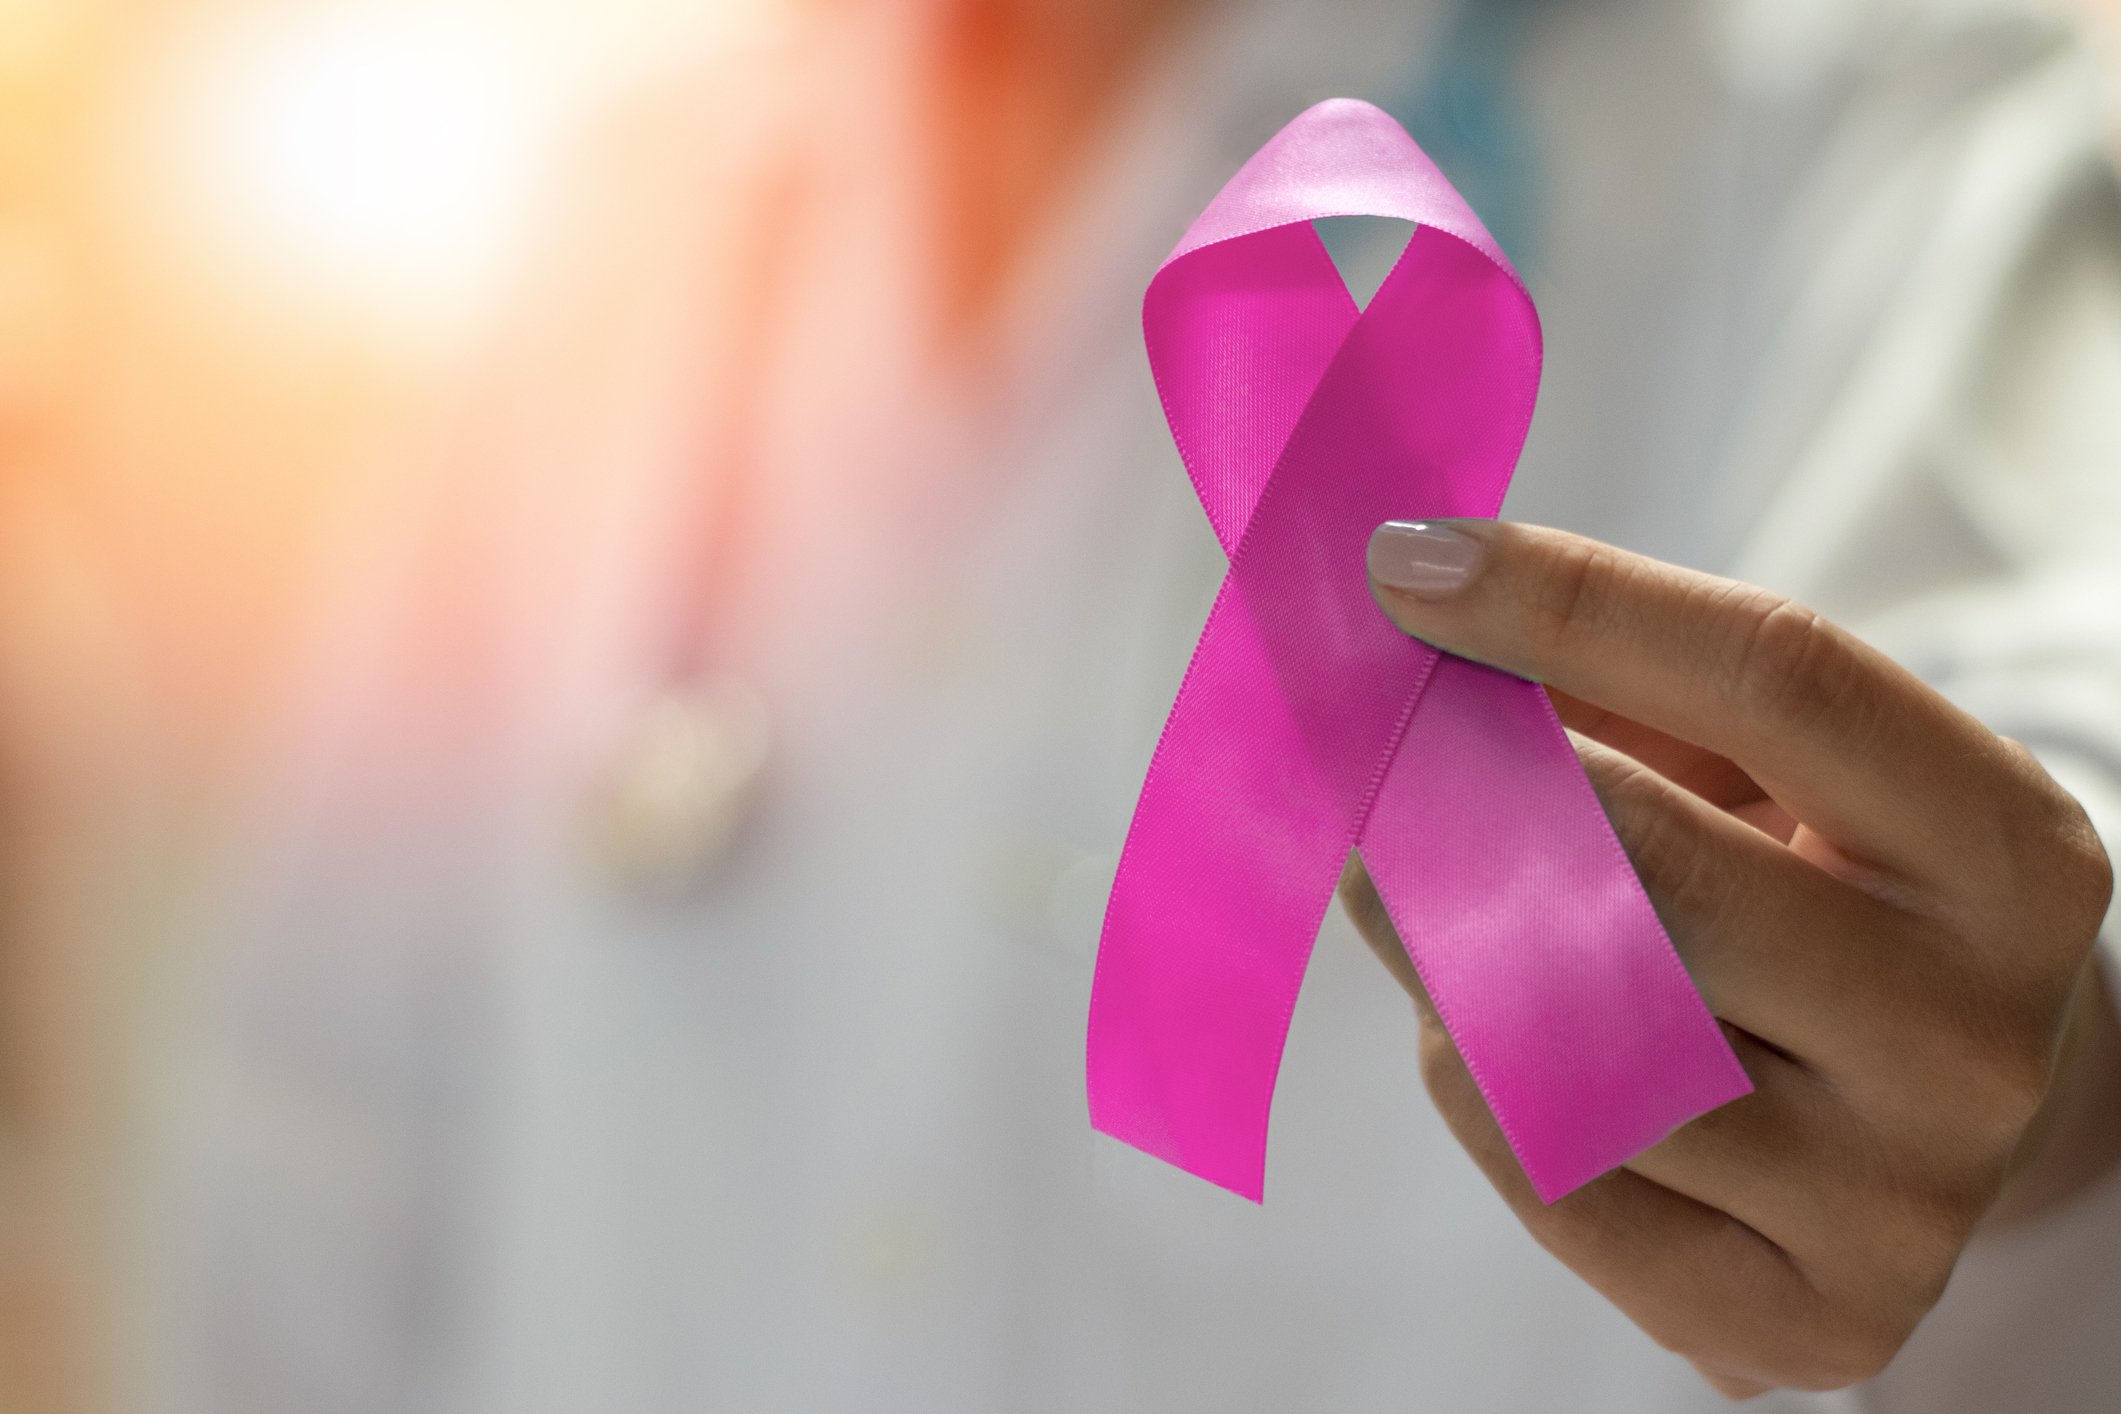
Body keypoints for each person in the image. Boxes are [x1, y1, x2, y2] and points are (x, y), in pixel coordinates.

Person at [17, 0, 2117, 1409]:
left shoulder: (1895, 110)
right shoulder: (614, 232)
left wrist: (2035, 1082)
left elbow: (2046, 771)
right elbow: (300, 1215)